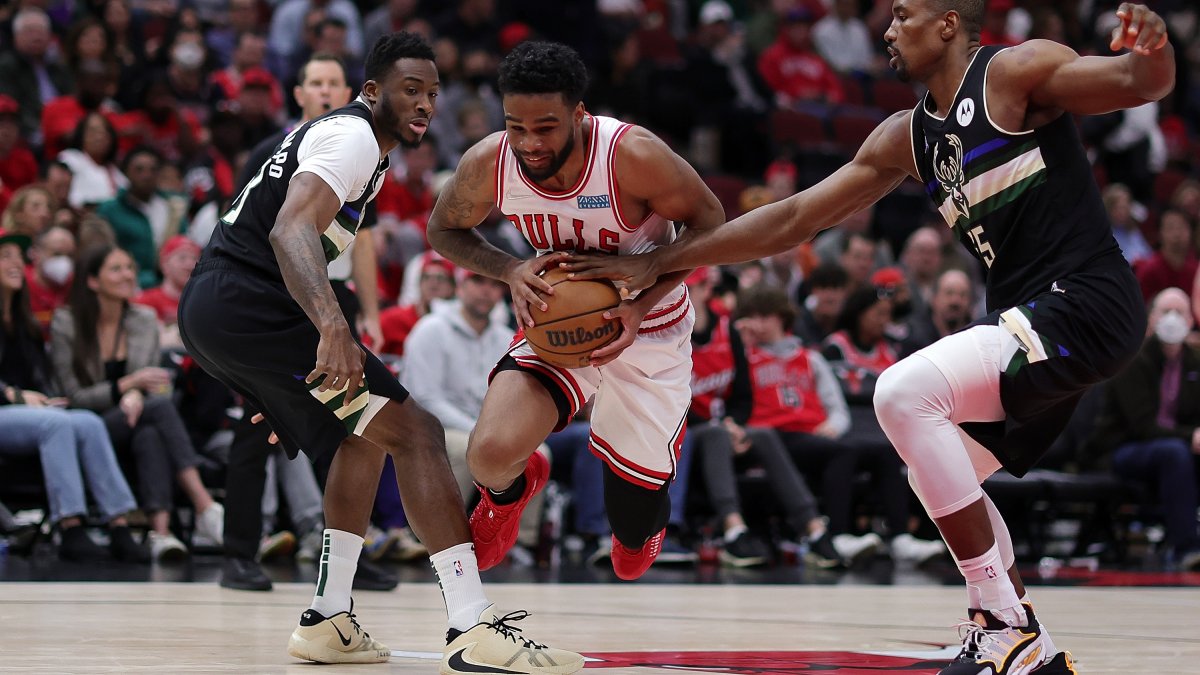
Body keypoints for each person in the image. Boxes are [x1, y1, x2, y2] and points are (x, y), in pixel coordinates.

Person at [563, 3, 1173, 672]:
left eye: (902, 14)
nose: (887, 28)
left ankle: (1004, 622)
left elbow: (1137, 83)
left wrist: (1153, 49)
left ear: (946, 23)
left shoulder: (1015, 70)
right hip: (1038, 322)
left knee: (903, 394)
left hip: (1083, 300)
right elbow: (792, 218)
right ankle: (1030, 650)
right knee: (937, 469)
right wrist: (661, 260)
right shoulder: (905, 137)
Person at [177, 32, 581, 672]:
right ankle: (471, 624)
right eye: (409, 90)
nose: (423, 104)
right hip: (249, 301)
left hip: (222, 308)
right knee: (416, 433)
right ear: (372, 92)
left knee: (360, 438)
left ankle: (328, 618)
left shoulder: (357, 144)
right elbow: (289, 229)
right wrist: (332, 324)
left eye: (432, 94)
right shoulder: (354, 136)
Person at [425, 40, 725, 581]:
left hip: (649, 329)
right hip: (559, 324)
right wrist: (511, 269)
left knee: (630, 551)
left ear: (579, 115)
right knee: (489, 455)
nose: (529, 143)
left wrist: (649, 283)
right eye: (516, 126)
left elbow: (715, 226)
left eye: (546, 127)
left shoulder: (633, 157)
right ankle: (514, 488)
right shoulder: (490, 162)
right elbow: (443, 229)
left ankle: (645, 509)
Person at [218, 51, 397, 594]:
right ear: (298, 95)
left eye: (333, 82)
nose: (323, 90)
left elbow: (361, 238)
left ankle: (345, 554)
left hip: (331, 297)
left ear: (353, 89)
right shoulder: (274, 151)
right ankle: (238, 554)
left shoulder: (364, 147)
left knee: (352, 422)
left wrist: (369, 310)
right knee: (256, 429)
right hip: (271, 295)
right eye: (314, 82)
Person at [50, 245, 224, 560]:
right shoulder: (67, 322)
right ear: (92, 281)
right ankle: (205, 506)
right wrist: (127, 387)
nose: (128, 275)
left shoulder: (143, 320)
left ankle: (160, 533)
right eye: (116, 269)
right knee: (157, 411)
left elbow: (157, 385)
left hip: (136, 419)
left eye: (130, 267)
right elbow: (75, 397)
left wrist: (136, 393)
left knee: (151, 433)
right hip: (88, 425)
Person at [0, 229, 148, 564]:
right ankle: (69, 526)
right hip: (11, 408)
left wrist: (46, 397)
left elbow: (41, 375)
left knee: (87, 421)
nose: (14, 263)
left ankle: (120, 524)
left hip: (27, 412)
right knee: (57, 425)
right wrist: (16, 394)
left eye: (16, 256)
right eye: (4, 256)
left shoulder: (23, 320)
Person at [1092, 288, 1200, 571]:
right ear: (1151, 319)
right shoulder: (1133, 360)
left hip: (1173, 450)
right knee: (1175, 452)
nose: (1173, 319)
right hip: (1124, 449)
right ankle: (1186, 548)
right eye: (1166, 311)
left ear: (1191, 320)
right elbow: (1143, 427)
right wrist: (1192, 436)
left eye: (1180, 312)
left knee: (1177, 453)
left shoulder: (1195, 362)